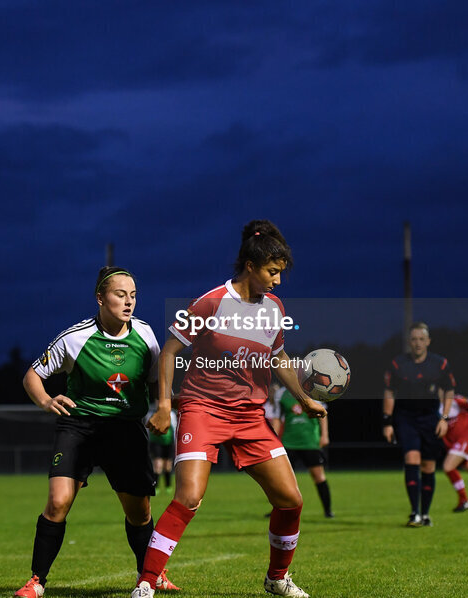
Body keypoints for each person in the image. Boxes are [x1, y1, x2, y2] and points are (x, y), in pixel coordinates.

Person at [131, 220, 327, 598]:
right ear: (250, 267)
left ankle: (277, 579)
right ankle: (146, 582)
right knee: (189, 496)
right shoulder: (211, 302)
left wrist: (304, 398)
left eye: (281, 273)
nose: (278, 281)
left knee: (291, 500)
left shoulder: (274, 308)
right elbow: (170, 351)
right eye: (272, 272)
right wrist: (164, 404)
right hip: (203, 410)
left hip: (250, 417)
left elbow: (279, 355)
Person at [14, 266, 179, 598]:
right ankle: (37, 581)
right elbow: (33, 375)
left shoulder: (145, 335)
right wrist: (46, 400)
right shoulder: (74, 337)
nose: (129, 302)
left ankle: (149, 575)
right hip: (80, 427)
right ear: (100, 298)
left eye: (133, 295)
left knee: (139, 512)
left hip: (126, 430)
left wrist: (164, 406)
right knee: (58, 502)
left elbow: (160, 377)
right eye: (120, 295)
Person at [382, 322, 455, 528]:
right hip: (405, 418)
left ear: (428, 341)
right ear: (409, 342)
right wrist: (387, 421)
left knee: (428, 466)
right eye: (414, 339)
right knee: (412, 459)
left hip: (431, 418)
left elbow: (449, 391)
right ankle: (414, 512)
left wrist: (445, 418)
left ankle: (425, 514)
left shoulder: (440, 364)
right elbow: (389, 392)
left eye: (422, 339)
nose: (418, 343)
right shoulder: (398, 364)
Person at [278, 374, 334, 518]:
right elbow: (278, 418)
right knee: (282, 480)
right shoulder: (282, 393)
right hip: (289, 441)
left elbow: (323, 415)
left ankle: (328, 510)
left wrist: (324, 435)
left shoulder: (314, 390)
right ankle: (278, 509)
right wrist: (274, 437)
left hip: (309, 441)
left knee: (318, 476)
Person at [149, 409, 177, 494]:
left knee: (167, 466)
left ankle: (168, 486)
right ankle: (155, 487)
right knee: (158, 465)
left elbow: (175, 427)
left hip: (169, 443)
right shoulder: (151, 413)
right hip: (156, 442)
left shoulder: (171, 414)